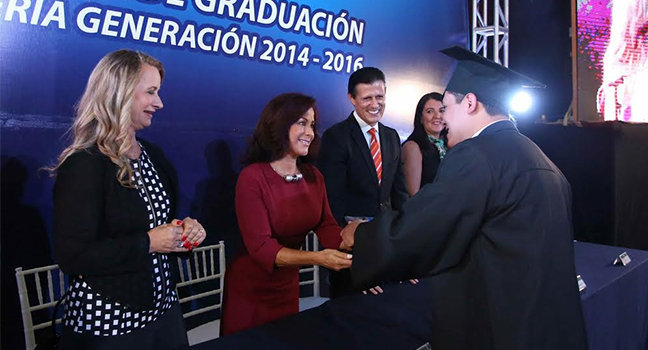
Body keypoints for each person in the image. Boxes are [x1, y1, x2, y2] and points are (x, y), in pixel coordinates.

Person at [342, 46, 588, 350]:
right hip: (544, 326)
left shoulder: (477, 155)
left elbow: (426, 228)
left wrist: (362, 236)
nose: (442, 120)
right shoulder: (538, 158)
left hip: (499, 328)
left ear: (469, 103)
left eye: (446, 108)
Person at [51, 50, 206, 349]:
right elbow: (73, 256)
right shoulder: (84, 164)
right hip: (110, 323)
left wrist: (183, 232)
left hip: (164, 311)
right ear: (120, 93)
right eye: (151, 92)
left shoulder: (154, 156)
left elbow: (157, 224)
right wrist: (149, 242)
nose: (159, 103)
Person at [220, 93, 352, 335]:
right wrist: (318, 258)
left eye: (312, 124)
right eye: (301, 122)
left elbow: (327, 226)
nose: (310, 132)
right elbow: (262, 249)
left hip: (287, 287)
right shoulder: (252, 178)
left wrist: (356, 245)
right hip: (251, 290)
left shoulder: (314, 175)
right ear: (279, 124)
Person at [318, 67, 409, 298]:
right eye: (367, 98)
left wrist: (408, 242)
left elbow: (400, 194)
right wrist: (355, 261)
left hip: (387, 245)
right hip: (352, 250)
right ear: (352, 99)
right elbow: (332, 201)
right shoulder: (336, 137)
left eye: (379, 97)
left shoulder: (391, 136)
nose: (374, 104)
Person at [401, 92, 447, 196]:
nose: (437, 116)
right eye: (430, 111)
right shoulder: (412, 147)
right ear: (420, 118)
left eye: (442, 111)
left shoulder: (450, 146)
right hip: (425, 210)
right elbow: (413, 196)